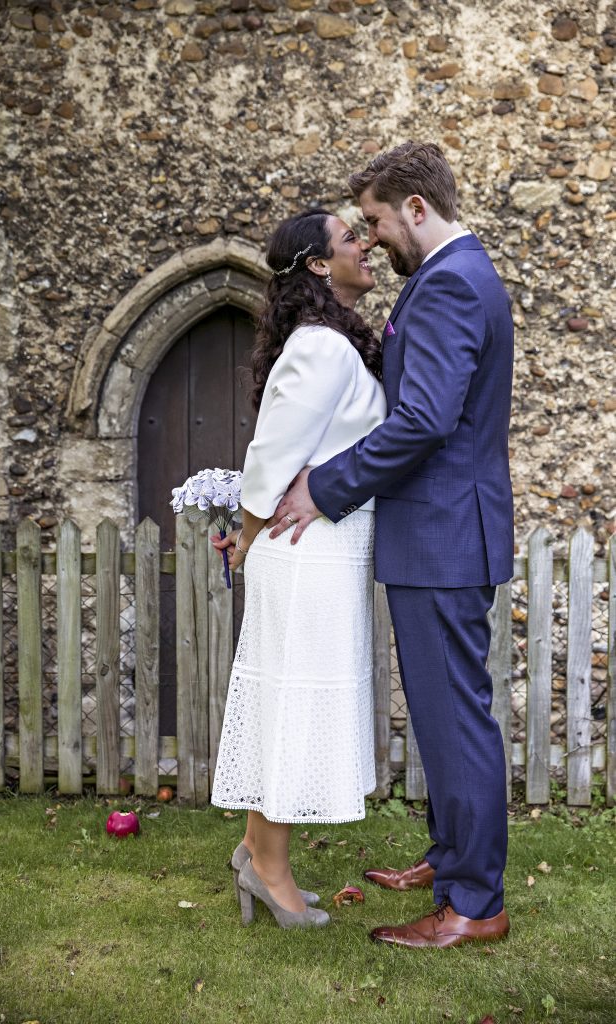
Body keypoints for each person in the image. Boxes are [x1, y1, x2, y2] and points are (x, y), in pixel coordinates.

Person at [269, 141, 514, 948]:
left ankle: (472, 904)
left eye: (375, 220)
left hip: (442, 533)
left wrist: (323, 485)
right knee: (444, 714)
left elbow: (422, 421)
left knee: (454, 721)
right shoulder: (455, 275)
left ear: (416, 207)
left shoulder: (447, 283)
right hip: (440, 531)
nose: (370, 238)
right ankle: (449, 860)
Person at [210, 209, 386, 929]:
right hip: (303, 553)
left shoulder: (333, 344)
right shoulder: (320, 348)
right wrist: (248, 540)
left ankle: (255, 851)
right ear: (317, 264)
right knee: (292, 702)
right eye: (351, 237)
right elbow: (272, 458)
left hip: (323, 548)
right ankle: (270, 870)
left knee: (294, 696)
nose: (365, 243)